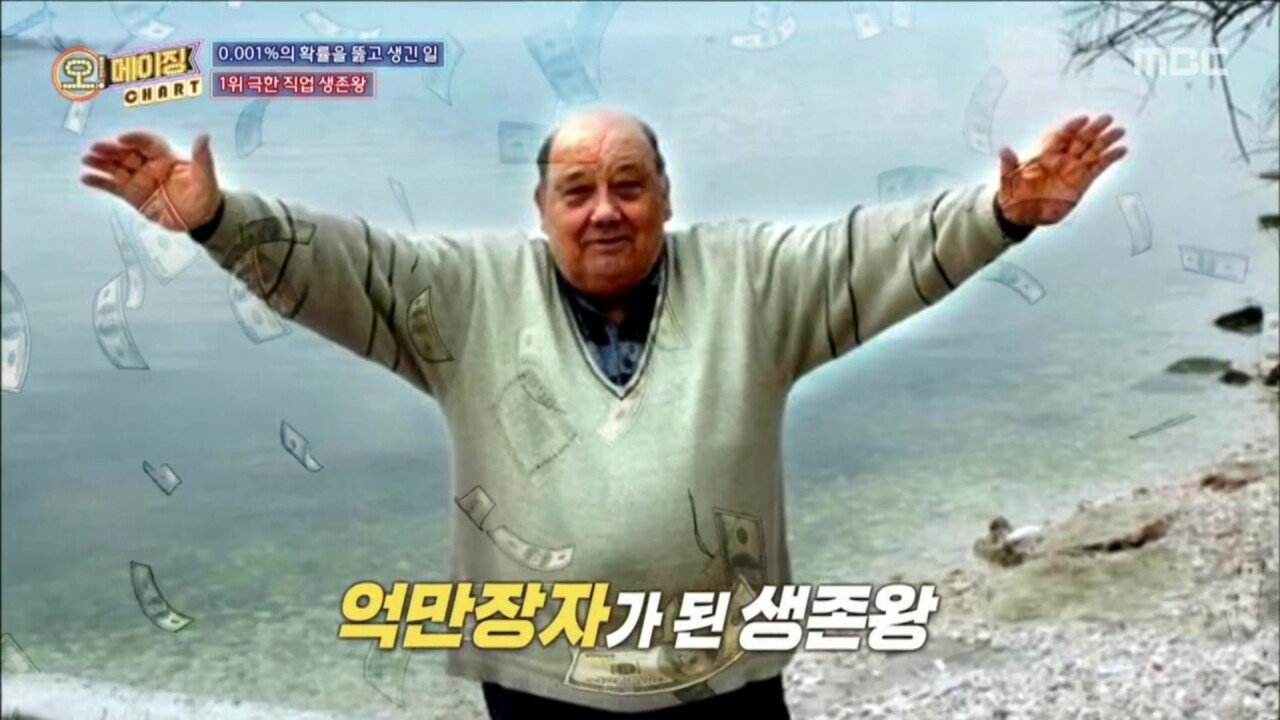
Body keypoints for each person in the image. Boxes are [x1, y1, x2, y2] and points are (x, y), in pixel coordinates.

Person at [80, 109, 1126, 718]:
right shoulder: (464, 301)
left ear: (666, 196)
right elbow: (345, 264)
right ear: (540, 211)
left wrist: (1001, 215)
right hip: (541, 683)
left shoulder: (755, 284)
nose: (605, 209)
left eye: (628, 184)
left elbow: (875, 249)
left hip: (724, 677)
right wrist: (219, 221)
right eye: (576, 190)